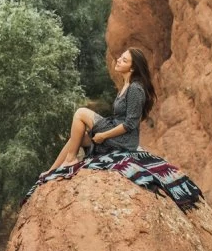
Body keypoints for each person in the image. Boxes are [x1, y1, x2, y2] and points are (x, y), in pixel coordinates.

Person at [42, 47, 157, 177]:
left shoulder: (136, 89)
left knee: (81, 113)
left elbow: (130, 124)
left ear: (132, 68)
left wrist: (104, 135)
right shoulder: (126, 85)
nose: (118, 60)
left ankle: (70, 160)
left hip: (124, 140)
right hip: (115, 130)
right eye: (121, 57)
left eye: (124, 60)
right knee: (76, 138)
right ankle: (52, 170)